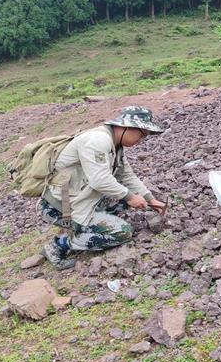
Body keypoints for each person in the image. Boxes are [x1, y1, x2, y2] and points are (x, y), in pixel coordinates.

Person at [38, 106, 166, 269]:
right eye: (141, 135)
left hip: (80, 199)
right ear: (126, 126)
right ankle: (59, 245)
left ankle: (85, 226)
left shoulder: (116, 144)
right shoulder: (97, 140)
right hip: (60, 208)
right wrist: (131, 197)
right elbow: (99, 180)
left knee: (126, 201)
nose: (140, 141)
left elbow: (127, 176)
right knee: (122, 231)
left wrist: (150, 199)